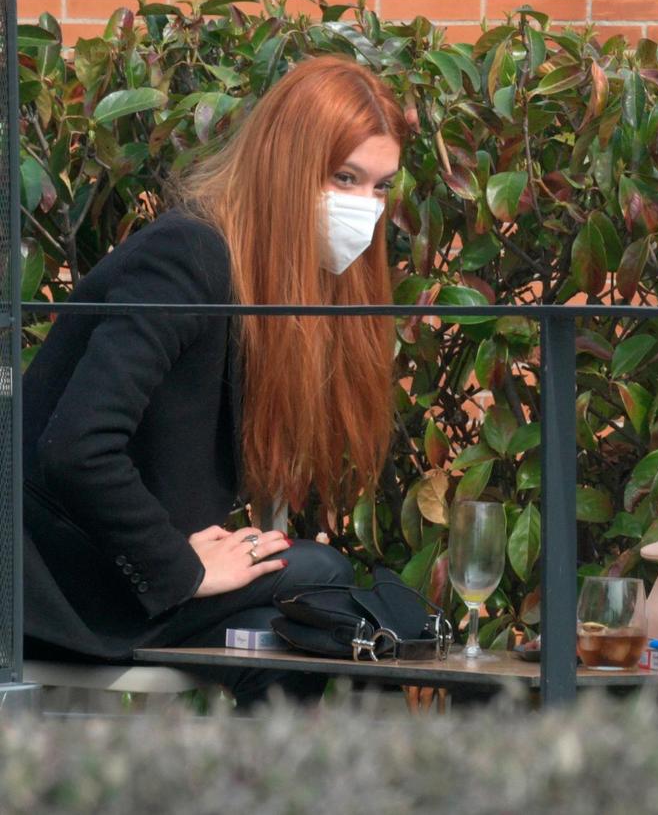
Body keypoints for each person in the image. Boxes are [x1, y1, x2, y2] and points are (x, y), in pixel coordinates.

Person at [23, 55, 403, 706]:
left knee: (288, 632)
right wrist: (179, 564)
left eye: (380, 186)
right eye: (344, 177)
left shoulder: (257, 277)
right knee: (320, 578)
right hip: (52, 590)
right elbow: (76, 445)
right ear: (287, 168)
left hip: (112, 578)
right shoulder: (190, 255)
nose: (363, 208)